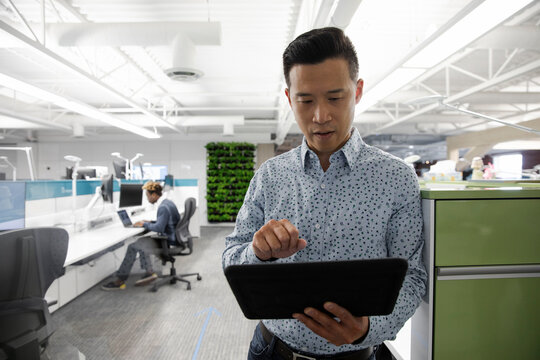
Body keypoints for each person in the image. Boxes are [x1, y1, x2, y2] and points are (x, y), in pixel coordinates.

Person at [222, 27, 427, 360]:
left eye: (335, 97)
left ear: (357, 91)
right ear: (289, 98)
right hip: (273, 349)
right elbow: (232, 256)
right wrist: (257, 253)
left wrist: (367, 329)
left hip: (356, 354)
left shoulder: (396, 179)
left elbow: (413, 276)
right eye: (305, 100)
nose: (320, 116)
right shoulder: (269, 176)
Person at [102, 181, 180, 290]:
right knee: (141, 242)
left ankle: (120, 280)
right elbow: (163, 222)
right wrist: (150, 222)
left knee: (133, 246)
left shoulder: (163, 207)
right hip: (173, 238)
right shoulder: (168, 203)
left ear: (154, 195)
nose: (147, 199)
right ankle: (149, 272)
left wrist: (144, 224)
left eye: (148, 196)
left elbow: (159, 228)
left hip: (167, 241)